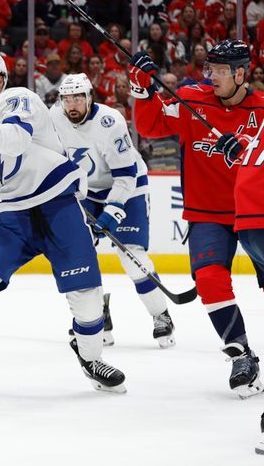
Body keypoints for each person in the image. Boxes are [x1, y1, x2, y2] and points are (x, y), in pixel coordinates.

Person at [0, 50, 126, 393]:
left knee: (86, 297)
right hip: (13, 212)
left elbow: (16, 138)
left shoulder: (19, 98)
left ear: (0, 80)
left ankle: (92, 358)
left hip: (58, 205)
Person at [131, 41, 264, 398]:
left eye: (221, 71)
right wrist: (141, 90)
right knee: (209, 280)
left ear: (241, 73)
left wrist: (249, 151)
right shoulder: (193, 100)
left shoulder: (263, 110)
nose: (213, 77)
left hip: (256, 213)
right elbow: (151, 126)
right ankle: (241, 354)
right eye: (210, 70)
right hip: (208, 213)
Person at [50, 73, 174, 348]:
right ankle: (95, 317)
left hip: (129, 187)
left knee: (132, 256)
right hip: (87, 190)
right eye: (66, 99)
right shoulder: (54, 117)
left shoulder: (110, 122)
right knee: (78, 255)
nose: (72, 104)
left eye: (78, 98)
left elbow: (126, 174)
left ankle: (160, 314)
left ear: (90, 97)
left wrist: (113, 209)